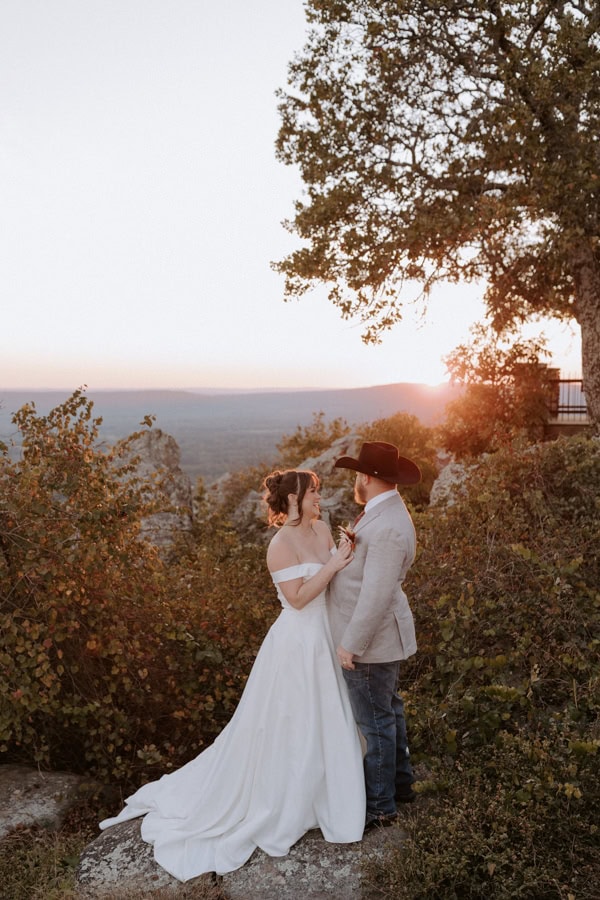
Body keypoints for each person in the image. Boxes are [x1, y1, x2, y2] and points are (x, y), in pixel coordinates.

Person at [99, 468, 365, 881]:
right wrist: (333, 565)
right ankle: (290, 797)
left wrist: (345, 557)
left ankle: (328, 789)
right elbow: (296, 600)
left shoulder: (324, 529)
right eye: (312, 491)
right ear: (292, 499)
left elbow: (332, 584)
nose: (319, 496)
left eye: (317, 491)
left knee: (330, 715)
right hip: (296, 644)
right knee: (292, 721)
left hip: (326, 635)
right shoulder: (279, 545)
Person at [328, 441, 421, 831]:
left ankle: (381, 806)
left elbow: (377, 593)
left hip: (372, 639)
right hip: (380, 636)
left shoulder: (386, 526)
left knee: (376, 721)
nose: (356, 480)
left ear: (366, 477)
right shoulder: (383, 512)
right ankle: (401, 784)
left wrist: (353, 643)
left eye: (357, 474)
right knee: (389, 709)